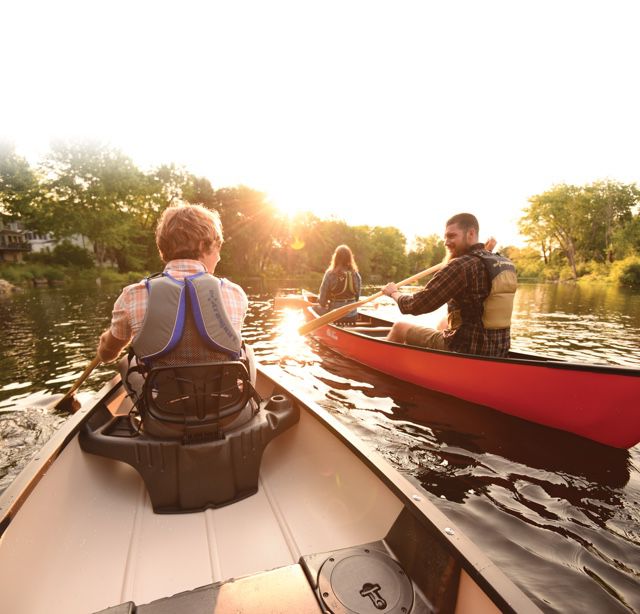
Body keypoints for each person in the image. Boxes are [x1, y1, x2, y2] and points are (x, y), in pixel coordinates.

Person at [97, 202, 250, 434]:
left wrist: (106, 345)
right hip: (229, 415)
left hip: (165, 420)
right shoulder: (234, 293)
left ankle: (143, 419)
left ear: (162, 250)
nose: (218, 258)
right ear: (203, 245)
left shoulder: (133, 295)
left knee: (123, 362)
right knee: (246, 350)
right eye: (217, 249)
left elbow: (108, 354)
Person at [381, 213, 516, 357]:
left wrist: (393, 293)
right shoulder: (505, 263)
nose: (446, 242)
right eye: (445, 237)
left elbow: (417, 305)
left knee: (399, 328)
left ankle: (380, 363)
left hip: (465, 349)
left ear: (471, 233)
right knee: (443, 323)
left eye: (451, 236)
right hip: (498, 350)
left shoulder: (461, 265)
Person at [317, 244, 362, 323]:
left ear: (336, 258)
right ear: (350, 258)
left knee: (316, 309)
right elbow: (357, 298)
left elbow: (322, 299)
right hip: (353, 316)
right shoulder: (356, 274)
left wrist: (323, 304)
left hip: (335, 317)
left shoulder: (330, 274)